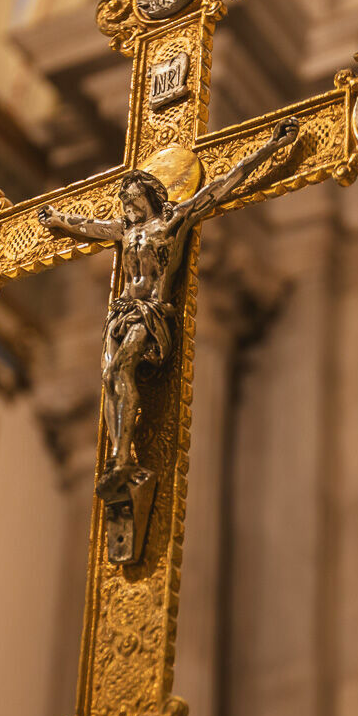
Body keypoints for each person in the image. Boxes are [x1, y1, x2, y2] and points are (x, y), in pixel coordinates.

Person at [39, 117, 301, 498]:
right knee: (112, 374)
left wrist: (273, 147)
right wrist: (57, 219)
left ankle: (123, 459)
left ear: (150, 196)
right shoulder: (124, 231)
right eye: (124, 200)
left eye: (132, 198)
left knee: (123, 366)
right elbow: (87, 225)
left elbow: (225, 183)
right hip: (122, 312)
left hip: (152, 311)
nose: (127, 205)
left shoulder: (173, 221)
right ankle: (118, 453)